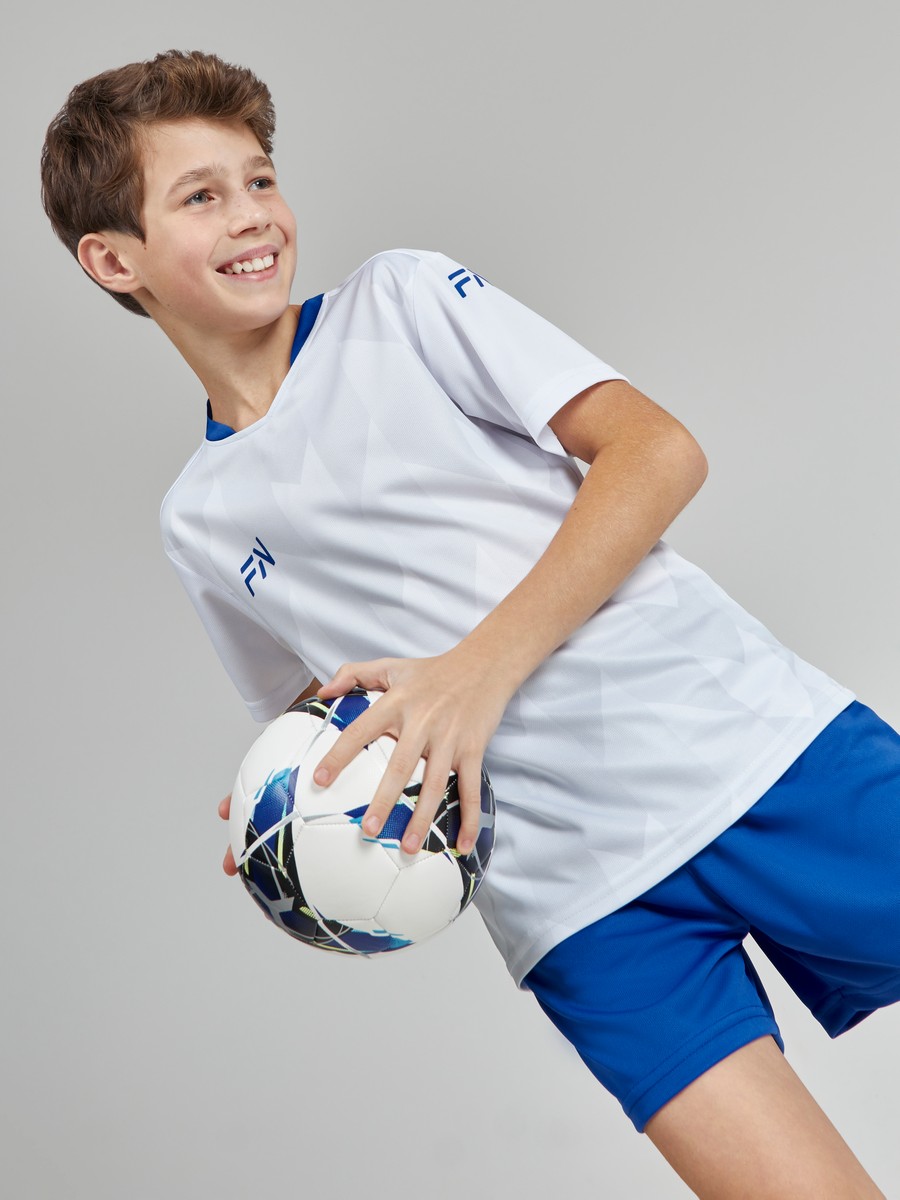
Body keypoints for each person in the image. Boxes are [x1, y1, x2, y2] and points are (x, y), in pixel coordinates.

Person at [41, 49, 897, 1198]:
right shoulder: (197, 521)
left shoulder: (398, 304)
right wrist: (280, 811)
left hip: (757, 759)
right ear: (114, 259)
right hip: (581, 909)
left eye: (260, 180)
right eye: (201, 196)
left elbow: (657, 452)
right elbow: (325, 712)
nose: (252, 216)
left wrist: (477, 671)